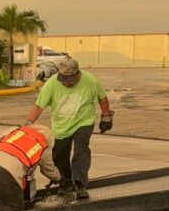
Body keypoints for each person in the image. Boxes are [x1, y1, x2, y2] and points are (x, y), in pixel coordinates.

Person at [25, 57, 112, 200]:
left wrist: (106, 117)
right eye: (63, 79)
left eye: (70, 79)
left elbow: (102, 98)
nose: (66, 83)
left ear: (78, 74)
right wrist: (28, 124)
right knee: (59, 156)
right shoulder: (52, 84)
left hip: (83, 121)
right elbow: (39, 106)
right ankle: (65, 183)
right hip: (61, 126)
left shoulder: (90, 80)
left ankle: (79, 183)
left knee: (81, 149)